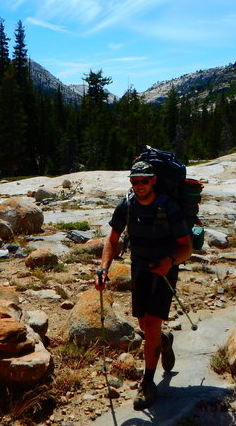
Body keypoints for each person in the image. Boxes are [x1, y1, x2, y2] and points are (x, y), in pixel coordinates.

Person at [95, 160, 193, 410]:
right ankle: (163, 339)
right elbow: (113, 239)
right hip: (139, 267)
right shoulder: (126, 205)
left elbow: (186, 247)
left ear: (153, 181)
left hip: (163, 270)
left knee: (149, 323)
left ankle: (147, 382)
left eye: (144, 181)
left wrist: (169, 262)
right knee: (143, 323)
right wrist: (103, 269)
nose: (139, 186)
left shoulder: (169, 207)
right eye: (135, 181)